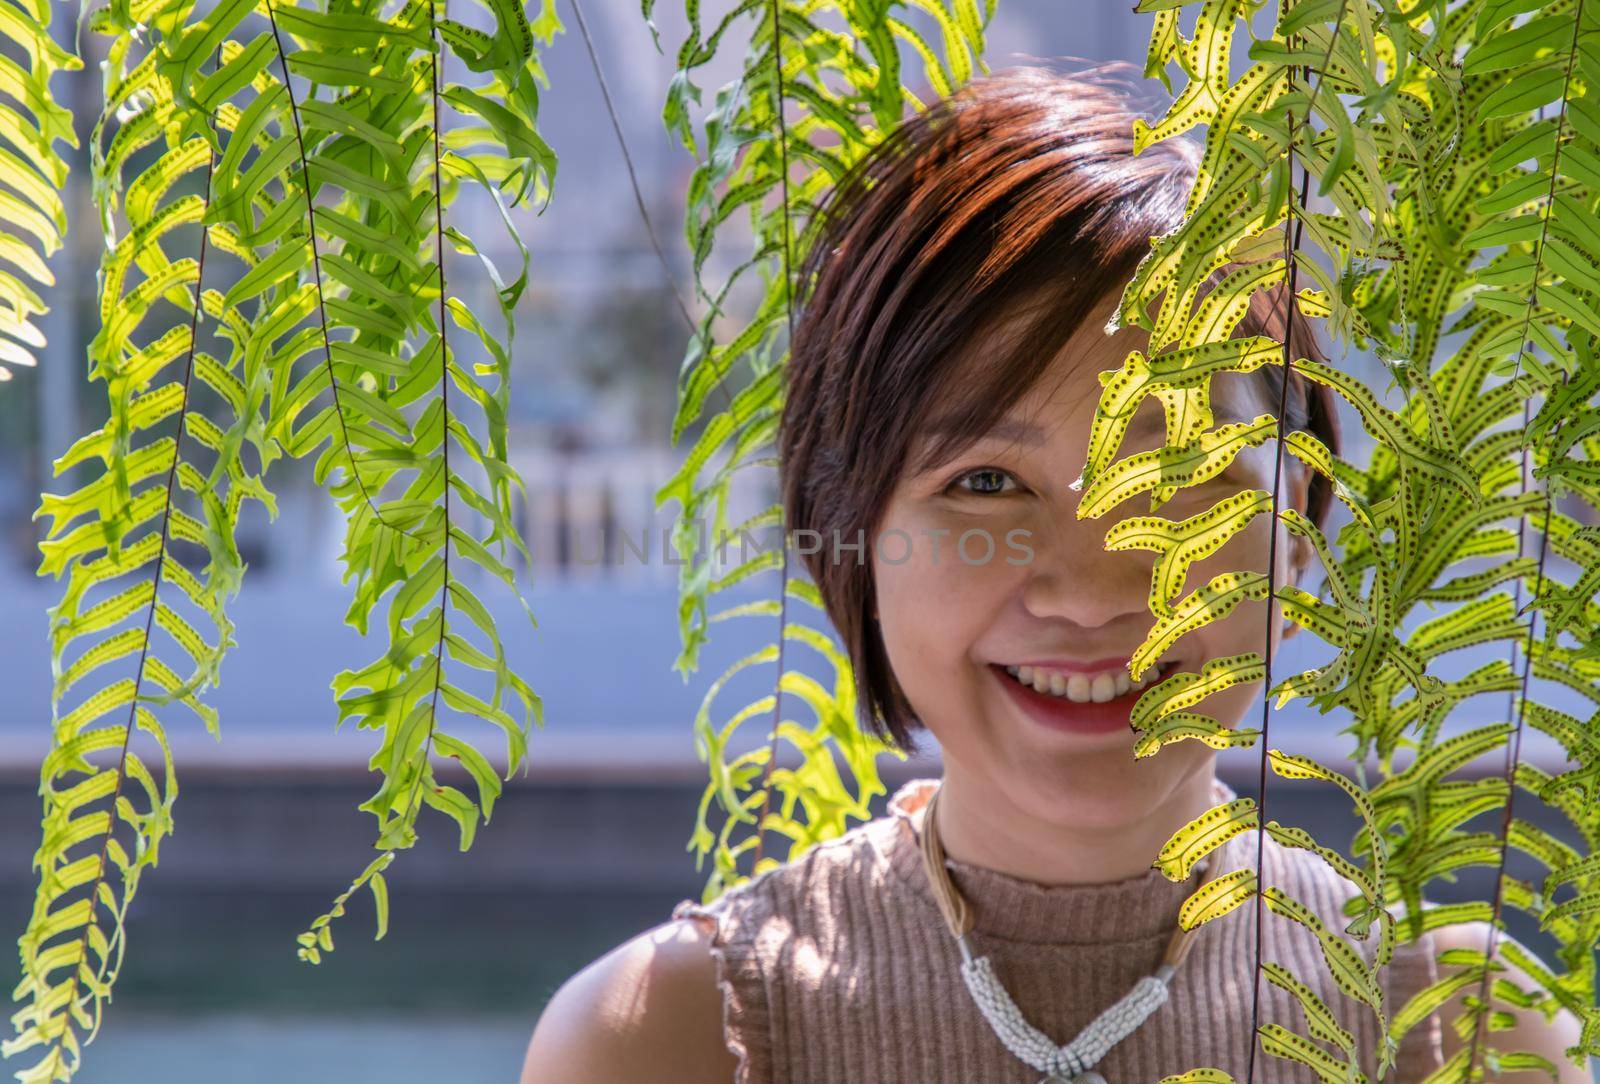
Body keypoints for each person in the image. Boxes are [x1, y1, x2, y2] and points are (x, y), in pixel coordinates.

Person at [520, 63, 1587, 1083]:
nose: (1090, 587)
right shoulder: (664, 1037)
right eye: (985, 482)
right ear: (846, 530)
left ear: (1299, 534)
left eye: (1181, 469)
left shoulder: (1459, 1030)